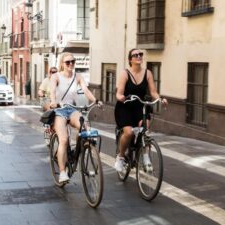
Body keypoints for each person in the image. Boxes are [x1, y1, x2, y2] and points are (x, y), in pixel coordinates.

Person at [50, 52, 103, 183]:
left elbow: (86, 90)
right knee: (63, 140)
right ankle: (62, 172)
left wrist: (96, 100)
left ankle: (78, 150)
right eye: (68, 62)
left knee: (85, 127)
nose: (71, 64)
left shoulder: (78, 76)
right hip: (60, 110)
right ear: (62, 64)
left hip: (72, 109)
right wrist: (53, 101)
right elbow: (52, 91)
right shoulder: (56, 76)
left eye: (72, 61)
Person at [114, 48, 168, 172]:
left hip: (140, 106)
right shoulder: (125, 73)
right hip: (125, 106)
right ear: (130, 60)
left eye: (140, 54)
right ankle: (121, 157)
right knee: (128, 133)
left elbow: (153, 92)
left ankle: (145, 156)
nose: (139, 56)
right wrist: (122, 97)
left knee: (145, 129)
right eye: (135, 55)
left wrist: (160, 99)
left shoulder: (147, 73)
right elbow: (119, 93)